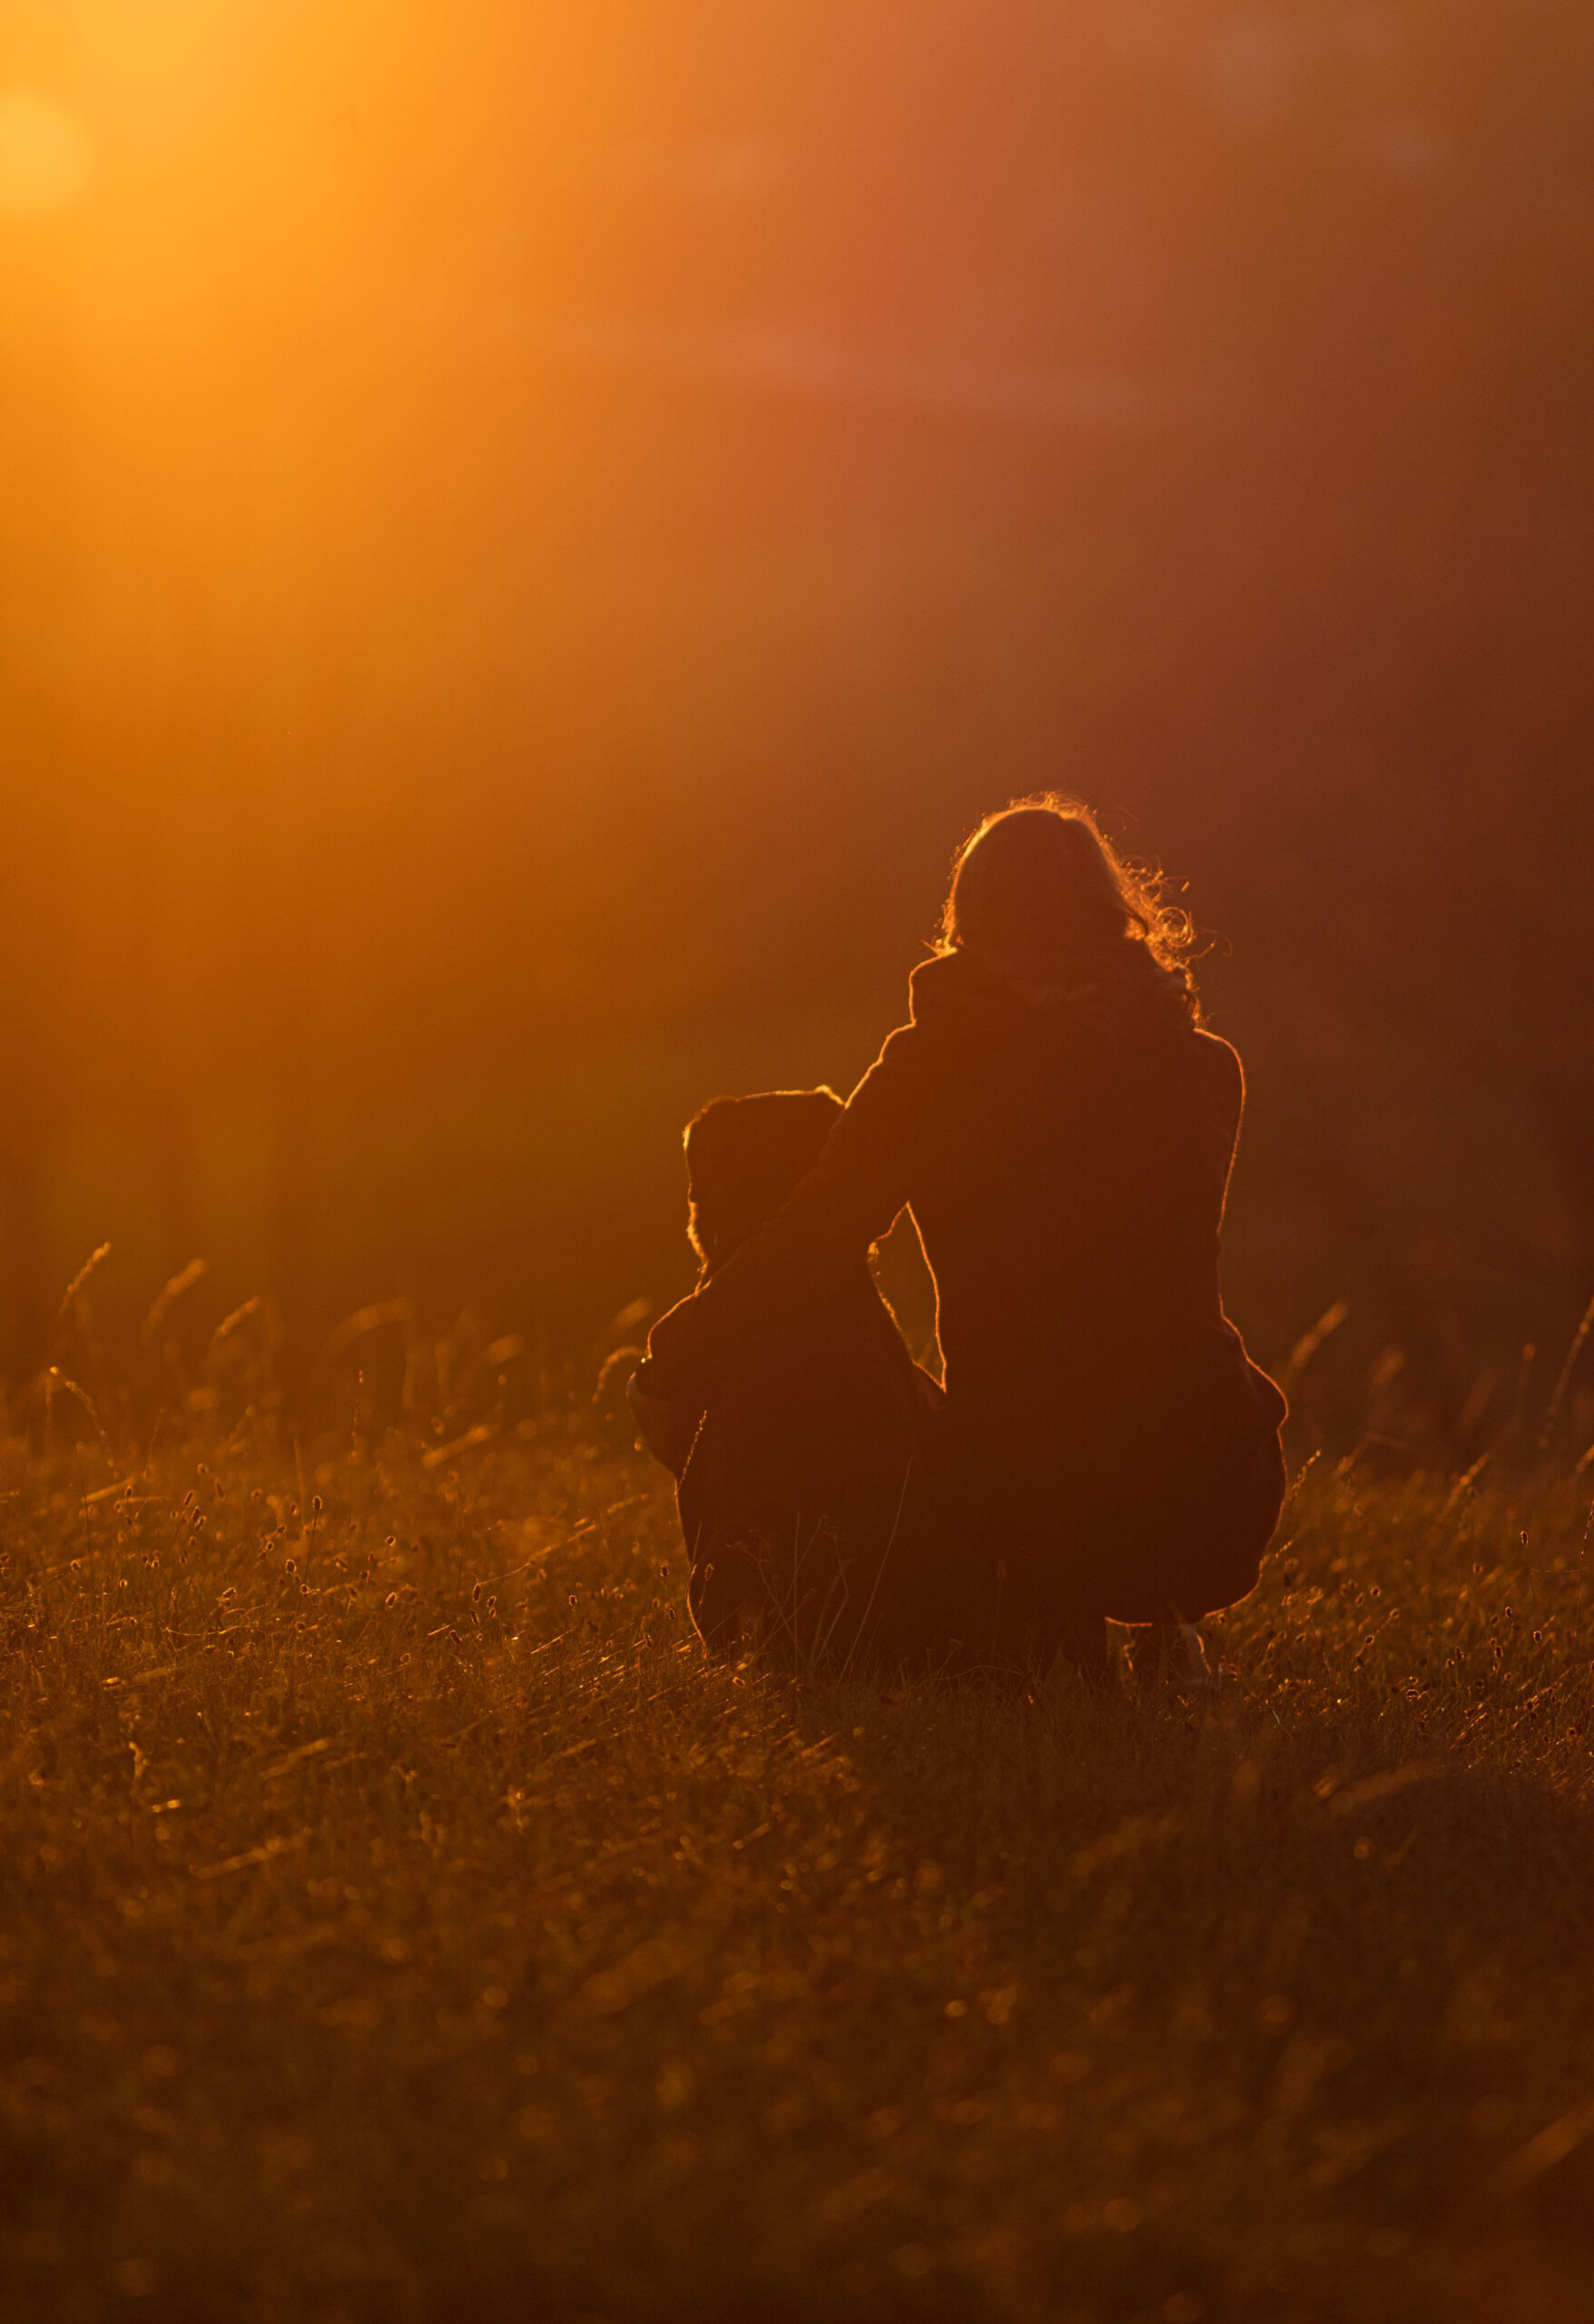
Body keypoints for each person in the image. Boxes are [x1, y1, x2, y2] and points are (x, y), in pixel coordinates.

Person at [632, 797, 1287, 1679]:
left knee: (1001, 1421)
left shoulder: (937, 1066)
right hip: (1214, 1469)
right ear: (1111, 912)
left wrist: (672, 1363)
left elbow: (809, 1244)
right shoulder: (1206, 1067)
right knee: (1121, 1368)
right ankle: (1160, 1624)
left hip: (1024, 1485)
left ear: (969, 920)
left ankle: (1046, 1623)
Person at [631, 1088, 941, 1665]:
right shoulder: (866, 1338)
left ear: (702, 1206)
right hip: (930, 1636)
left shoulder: (690, 1348)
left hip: (777, 1646)